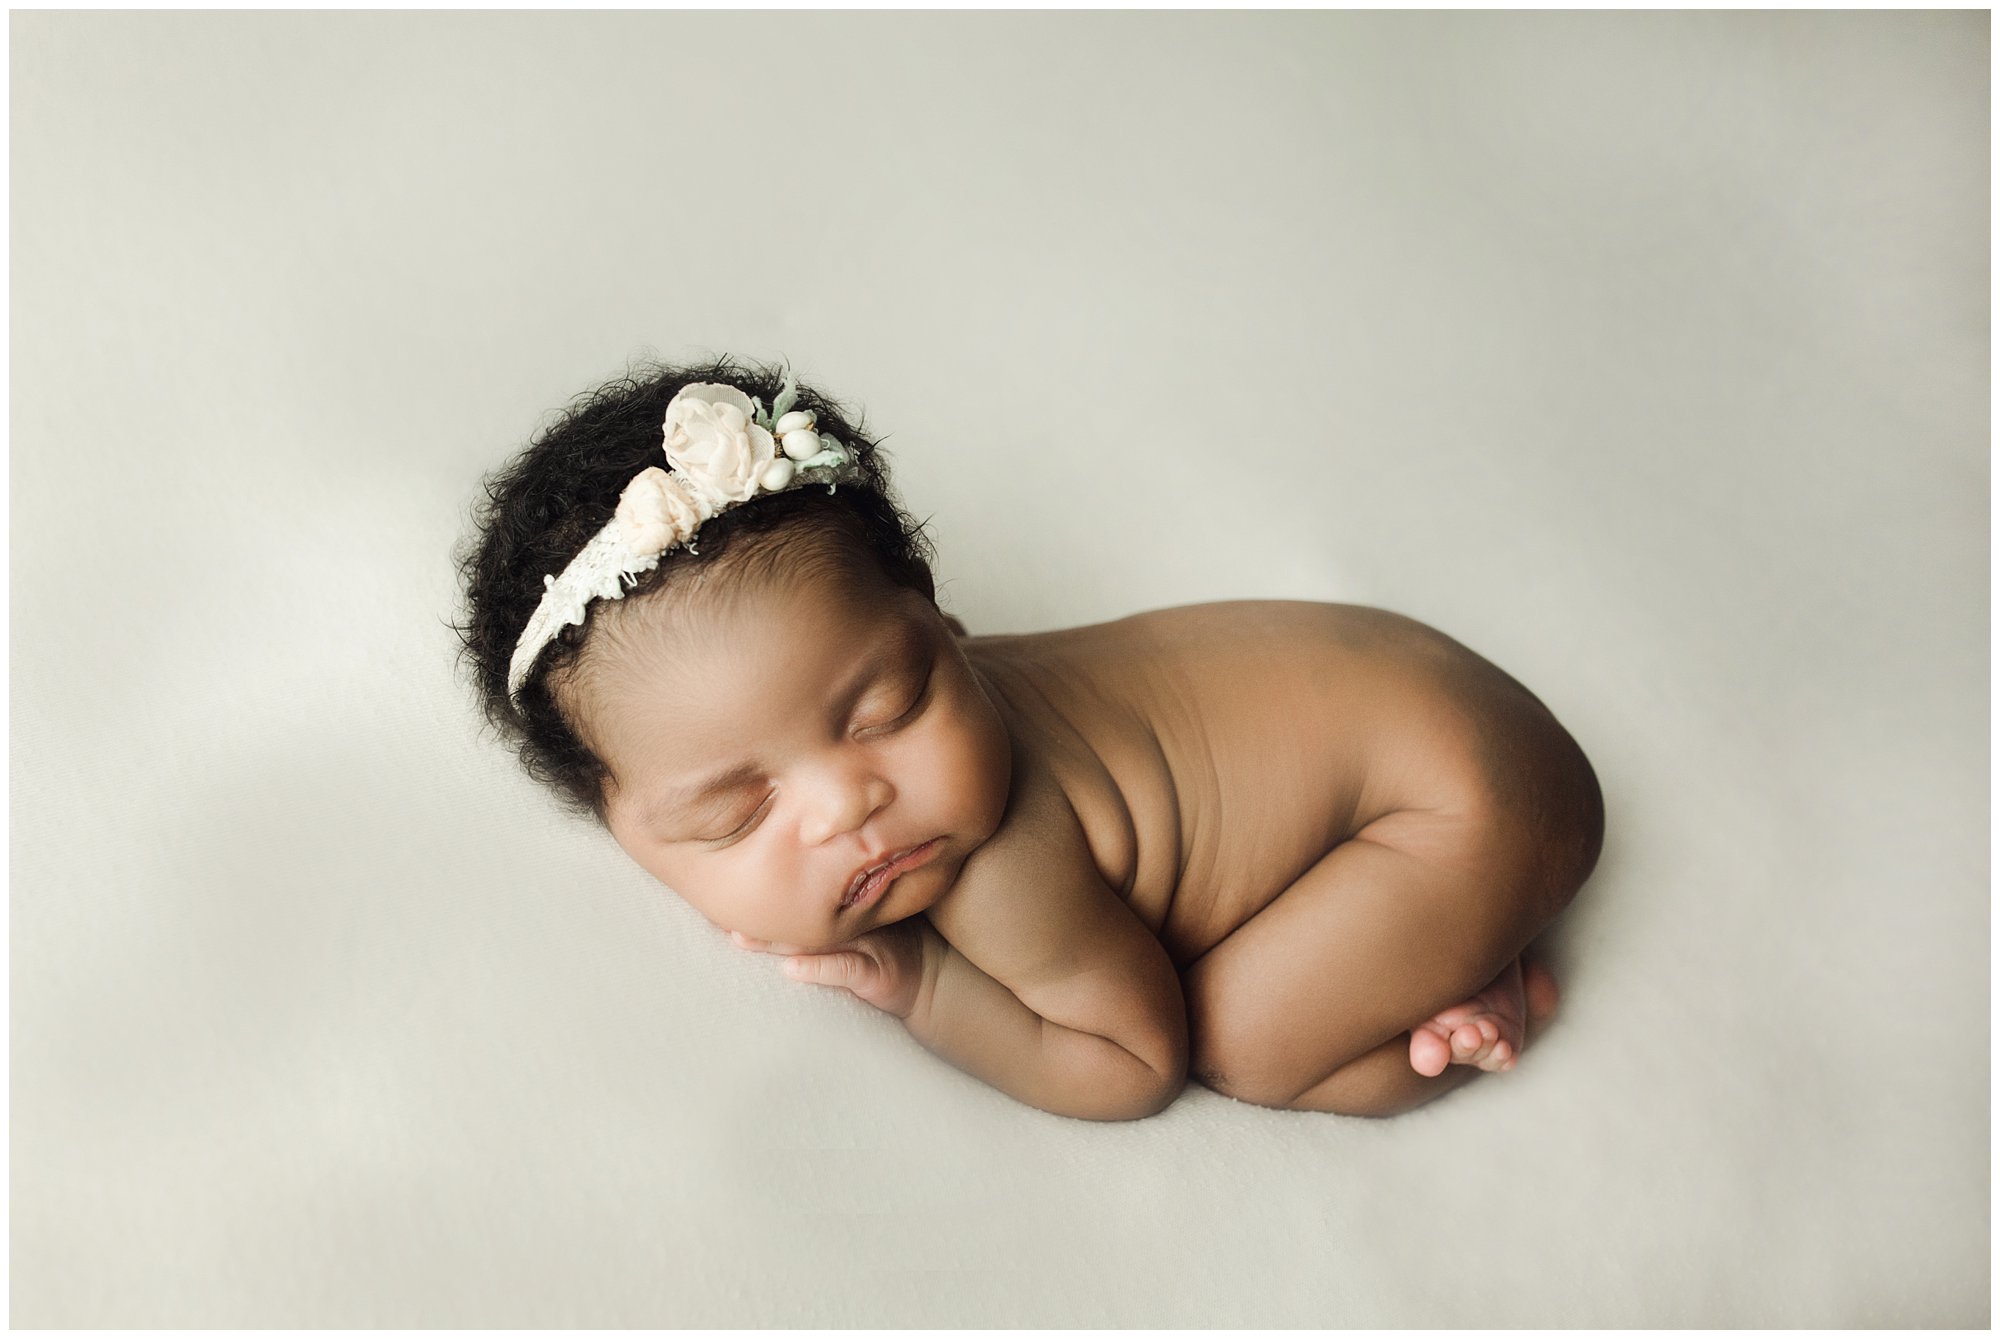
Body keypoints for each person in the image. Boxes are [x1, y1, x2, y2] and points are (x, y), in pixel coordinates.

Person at [455, 356, 1604, 1122]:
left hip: (1457, 805)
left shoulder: (997, 869)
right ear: (615, 820)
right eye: (733, 812)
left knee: (1241, 1042)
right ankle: (1433, 929)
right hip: (1419, 690)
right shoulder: (918, 698)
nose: (851, 802)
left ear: (935, 621)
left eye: (886, 709)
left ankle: (1473, 988)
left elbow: (1129, 1065)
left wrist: (919, 986)